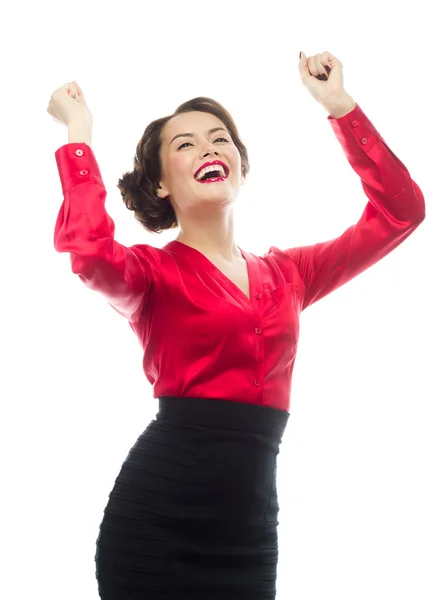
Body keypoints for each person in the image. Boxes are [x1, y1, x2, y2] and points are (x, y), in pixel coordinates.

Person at [47, 50, 425, 599]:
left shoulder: (292, 274)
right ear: (159, 186)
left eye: (220, 138)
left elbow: (401, 212)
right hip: (156, 527)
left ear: (241, 165)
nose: (209, 148)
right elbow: (89, 254)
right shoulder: (151, 275)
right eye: (186, 144)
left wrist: (338, 105)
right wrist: (77, 134)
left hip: (249, 534)